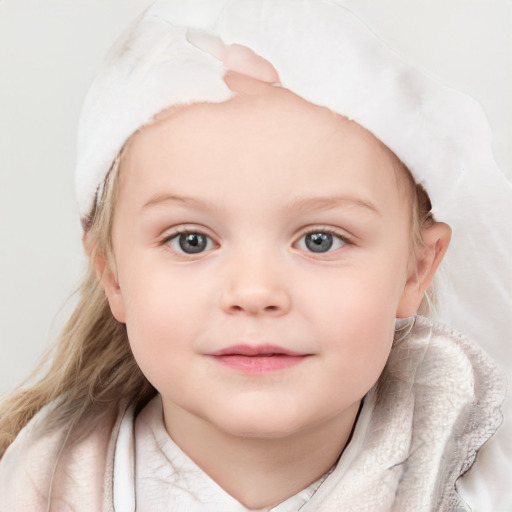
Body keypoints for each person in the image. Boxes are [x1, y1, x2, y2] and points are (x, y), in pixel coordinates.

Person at [0, 1, 510, 510]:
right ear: (112, 274)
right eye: (191, 240)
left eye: (320, 240)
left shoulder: (483, 488)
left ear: (416, 269)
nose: (255, 292)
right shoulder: (36, 488)